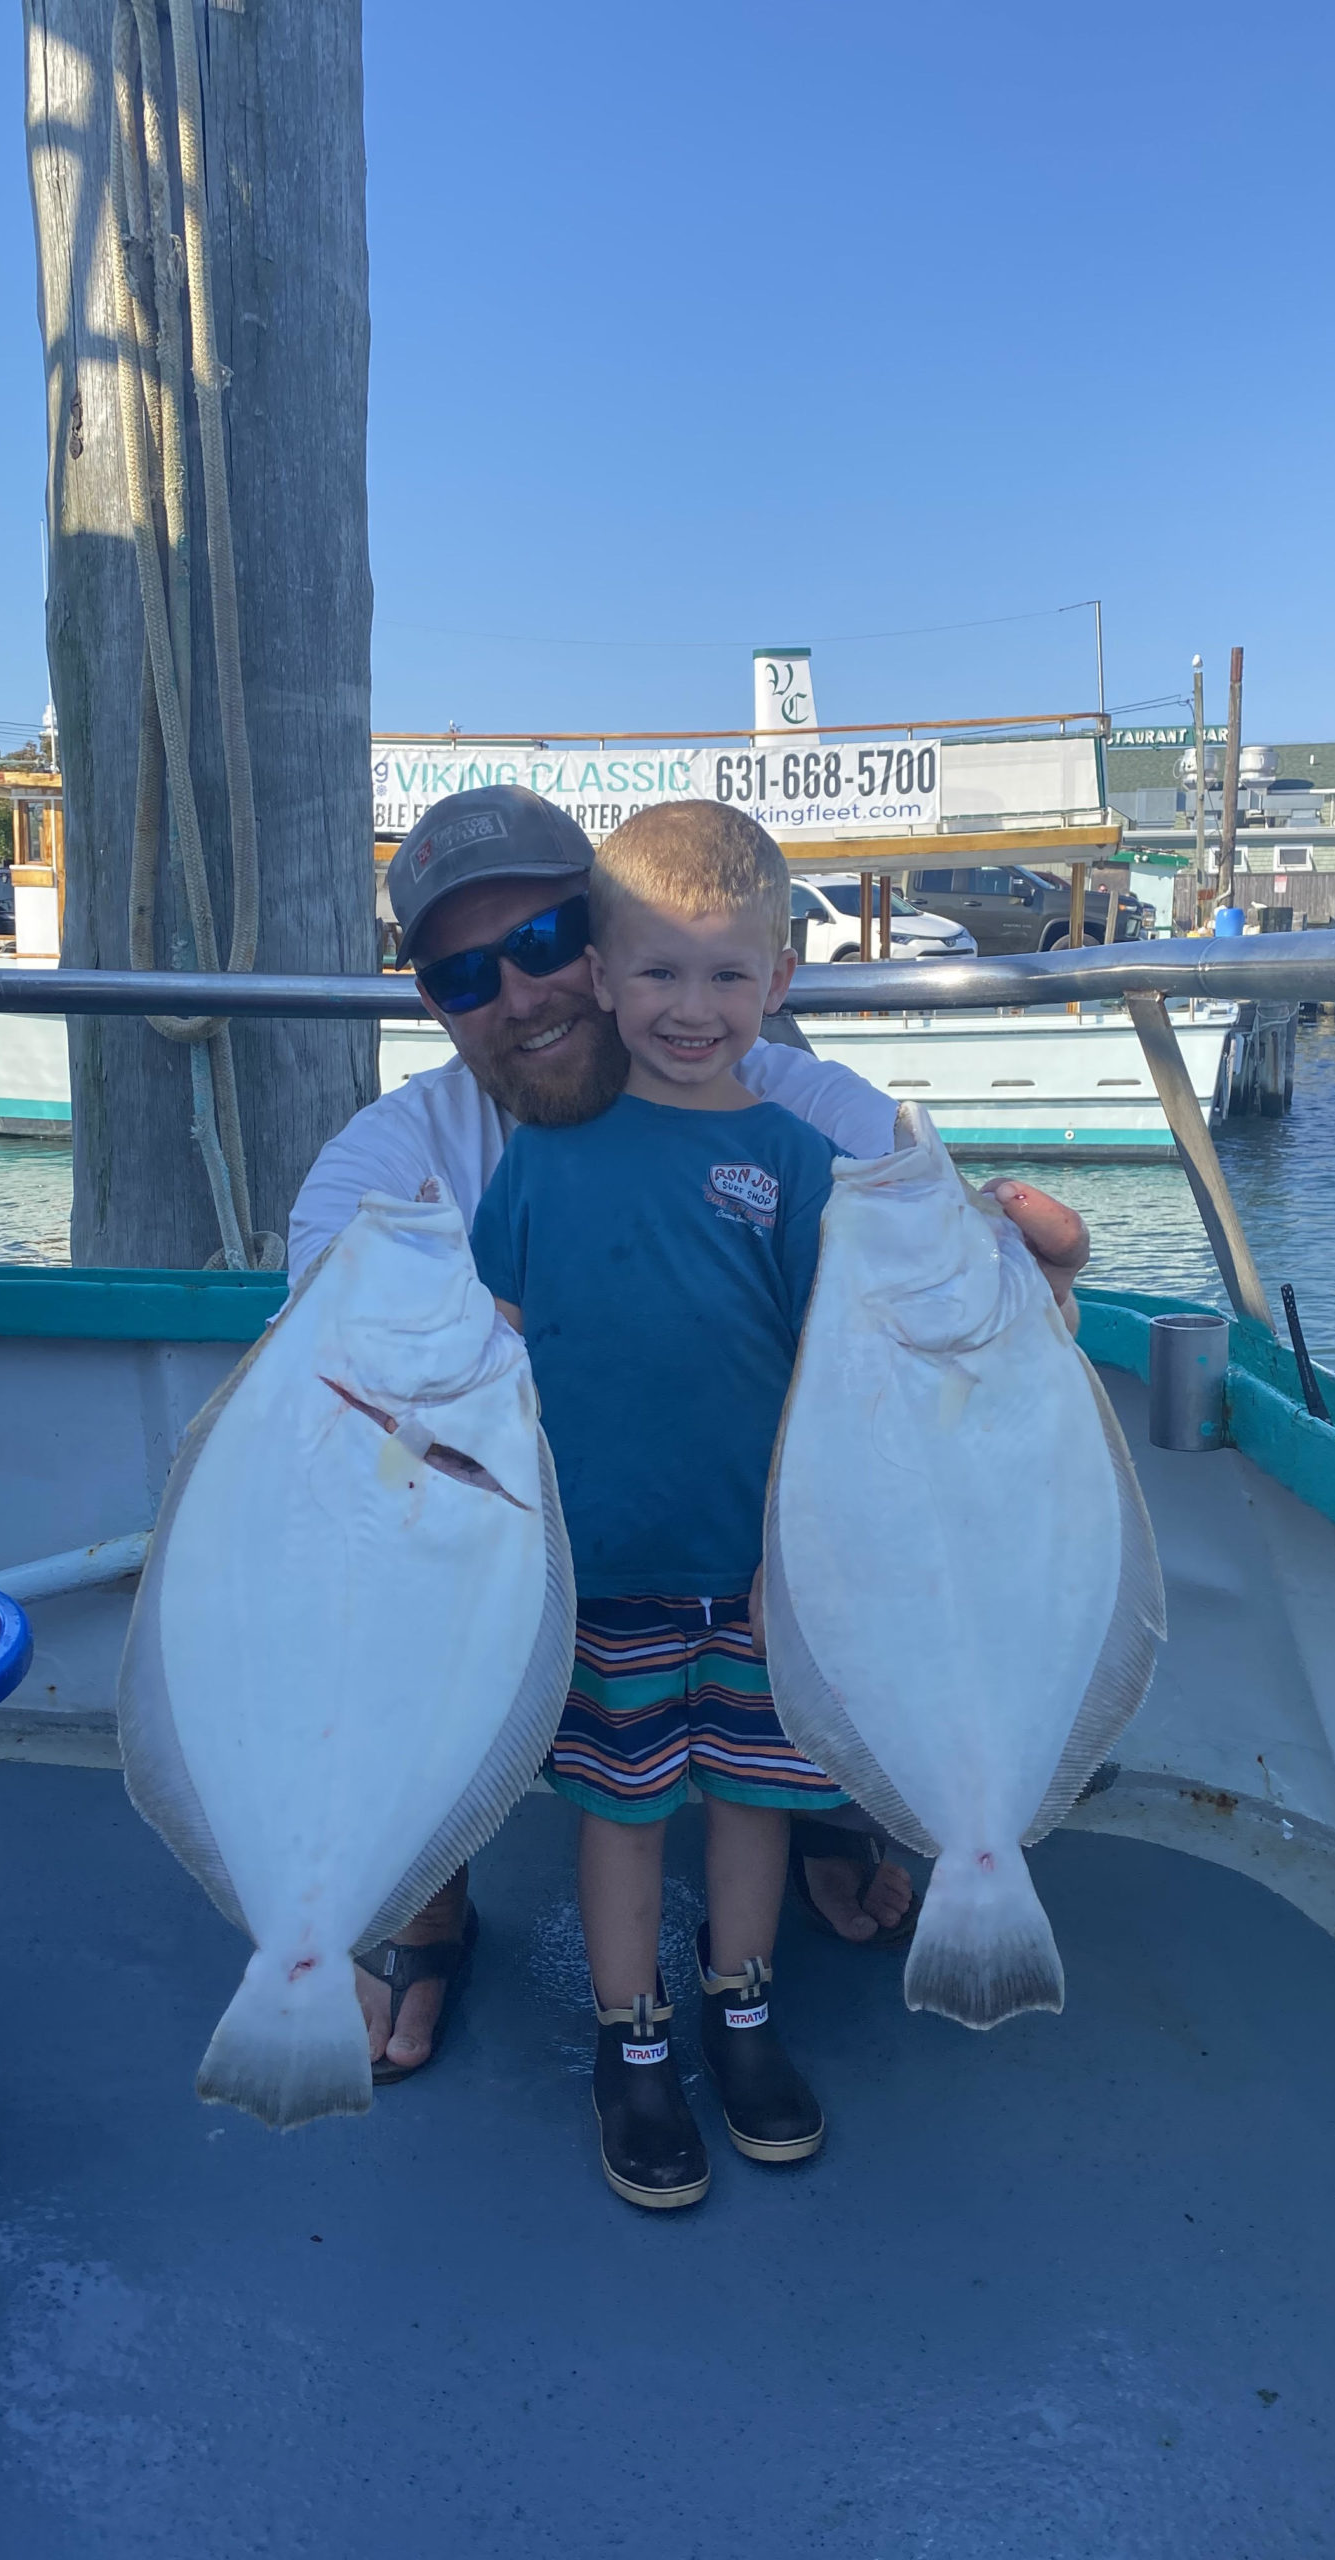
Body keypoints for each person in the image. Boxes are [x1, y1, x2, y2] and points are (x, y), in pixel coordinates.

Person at [286, 784, 1092, 2080]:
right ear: (429, 995)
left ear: (594, 946)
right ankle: (421, 1888)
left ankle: (831, 1803)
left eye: (544, 943)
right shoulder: (393, 1159)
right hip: (523, 1542)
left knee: (896, 1447)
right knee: (364, 1504)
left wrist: (1036, 1274)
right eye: (464, 971)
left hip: (746, 1548)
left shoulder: (790, 1109)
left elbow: (949, 1262)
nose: (525, 994)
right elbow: (335, 1418)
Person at [472, 800, 851, 2207]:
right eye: (658, 973)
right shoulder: (539, 1153)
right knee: (623, 1809)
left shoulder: (801, 1166)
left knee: (755, 1803)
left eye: (726, 975)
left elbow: (835, 1370)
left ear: (780, 981)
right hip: (601, 1565)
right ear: (601, 975)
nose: (691, 1009)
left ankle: (740, 2015)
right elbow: (487, 1357)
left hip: (759, 1572)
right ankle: (630, 2044)